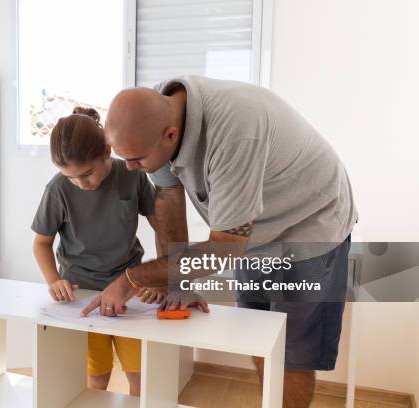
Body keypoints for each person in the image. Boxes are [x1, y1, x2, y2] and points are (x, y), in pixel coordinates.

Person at [81, 76, 358, 407]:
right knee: (257, 335)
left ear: (169, 136)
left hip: (310, 227)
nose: (130, 167)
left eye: (136, 159)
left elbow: (224, 249)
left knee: (291, 353)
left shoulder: (235, 133)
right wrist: (177, 281)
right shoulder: (159, 112)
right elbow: (168, 195)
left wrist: (131, 279)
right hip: (255, 233)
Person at [31, 107, 162, 396]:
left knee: (140, 378)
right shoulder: (57, 190)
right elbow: (41, 243)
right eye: (71, 177)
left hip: (130, 291)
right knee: (97, 377)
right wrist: (54, 281)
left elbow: (162, 226)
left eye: (87, 173)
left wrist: (160, 275)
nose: (82, 184)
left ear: (106, 151)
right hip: (82, 294)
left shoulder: (132, 176)